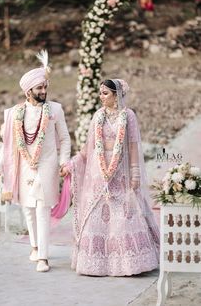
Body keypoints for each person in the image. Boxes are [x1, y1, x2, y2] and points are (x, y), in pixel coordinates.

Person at [66, 79, 159, 276]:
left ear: (116, 95)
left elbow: (133, 145)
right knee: (96, 217)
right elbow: (88, 147)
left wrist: (135, 173)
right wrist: (72, 163)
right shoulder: (98, 116)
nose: (101, 97)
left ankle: (128, 263)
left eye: (105, 93)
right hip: (99, 174)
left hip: (122, 172)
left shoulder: (128, 116)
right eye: (100, 93)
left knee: (125, 216)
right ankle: (96, 263)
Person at [0, 50, 71, 272]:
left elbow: (64, 139)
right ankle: (35, 246)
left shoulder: (55, 109)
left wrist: (64, 162)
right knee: (28, 208)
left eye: (45, 87)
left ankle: (44, 257)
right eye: (39, 88)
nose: (44, 91)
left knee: (42, 209)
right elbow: (8, 147)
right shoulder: (14, 114)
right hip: (23, 167)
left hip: (47, 164)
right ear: (28, 91)